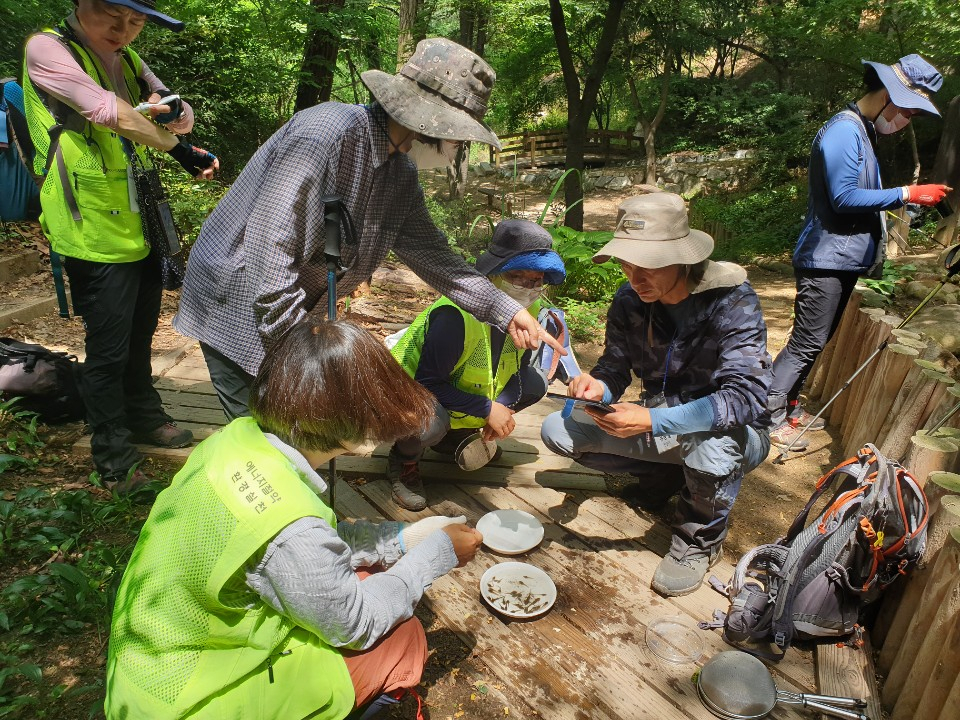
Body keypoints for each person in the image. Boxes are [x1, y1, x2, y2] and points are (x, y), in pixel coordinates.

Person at [105, 320, 484, 720]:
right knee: (401, 639)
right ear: (350, 419)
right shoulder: (293, 527)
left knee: (371, 580)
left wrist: (405, 539)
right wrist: (436, 554)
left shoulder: (233, 439)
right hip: (186, 701)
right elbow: (353, 621)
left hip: (150, 656)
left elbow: (312, 545)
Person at [173, 37, 560, 421]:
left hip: (295, 306)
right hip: (238, 296)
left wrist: (507, 311)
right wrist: (305, 356)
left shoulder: (400, 172)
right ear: (434, 123)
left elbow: (436, 258)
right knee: (259, 428)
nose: (458, 146)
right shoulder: (325, 133)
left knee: (293, 427)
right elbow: (268, 252)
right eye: (459, 136)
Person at [22, 0, 220, 492]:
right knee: (107, 349)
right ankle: (112, 455)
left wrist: (173, 112)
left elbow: (182, 115)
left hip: (138, 218)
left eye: (136, 22)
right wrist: (182, 151)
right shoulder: (47, 49)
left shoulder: (128, 60)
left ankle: (144, 415)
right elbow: (105, 111)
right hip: (87, 224)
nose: (124, 30)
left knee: (139, 330)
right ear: (82, 4)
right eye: (114, 15)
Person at [540, 193, 772, 597]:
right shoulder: (630, 300)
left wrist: (652, 420)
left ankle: (700, 538)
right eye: (626, 264)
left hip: (734, 434)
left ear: (682, 258)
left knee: (709, 446)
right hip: (660, 418)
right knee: (558, 429)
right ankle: (664, 475)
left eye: (646, 265)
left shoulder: (731, 301)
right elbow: (616, 365)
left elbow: (745, 398)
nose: (634, 277)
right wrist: (599, 386)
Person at [767, 54, 951, 450]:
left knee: (818, 339)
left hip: (842, 257)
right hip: (825, 258)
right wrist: (907, 192)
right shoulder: (843, 130)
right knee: (806, 342)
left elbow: (862, 196)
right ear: (888, 94)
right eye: (908, 111)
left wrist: (907, 201)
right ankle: (768, 415)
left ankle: (789, 406)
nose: (906, 121)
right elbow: (844, 197)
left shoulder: (864, 131)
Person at [388, 219, 568, 510]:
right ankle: (404, 459)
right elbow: (427, 385)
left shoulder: (529, 311)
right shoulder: (454, 317)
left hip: (454, 393)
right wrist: (487, 409)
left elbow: (517, 372)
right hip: (409, 394)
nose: (529, 288)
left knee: (535, 383)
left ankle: (454, 437)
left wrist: (502, 409)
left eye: (536, 280)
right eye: (518, 276)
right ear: (492, 275)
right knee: (426, 427)